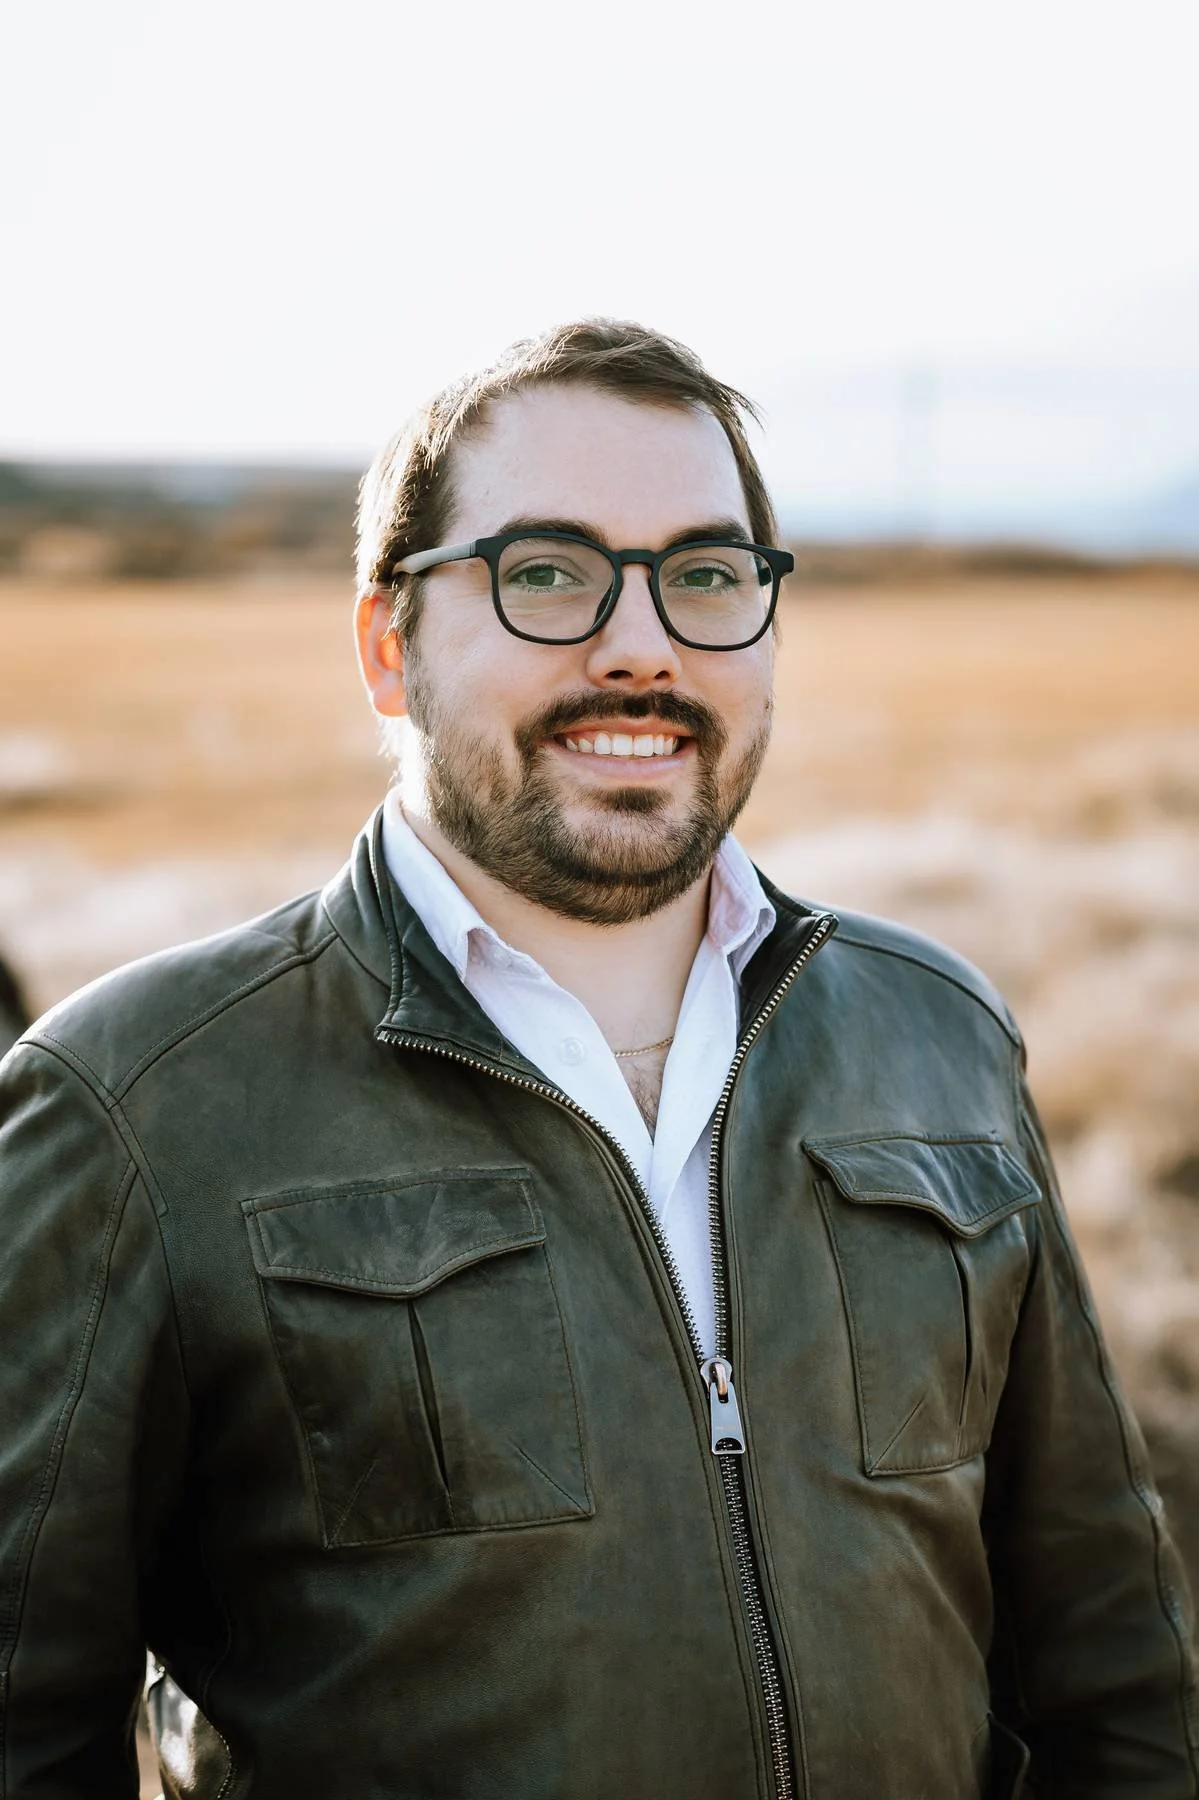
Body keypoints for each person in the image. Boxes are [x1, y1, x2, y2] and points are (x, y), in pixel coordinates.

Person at [0, 320, 1195, 1800]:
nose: (641, 645)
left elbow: (1110, 1654)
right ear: (388, 646)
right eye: (548, 572)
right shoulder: (135, 1106)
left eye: (706, 575)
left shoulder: (937, 1032)